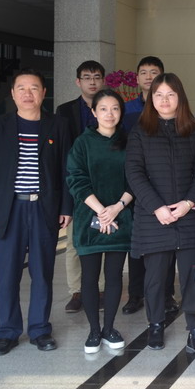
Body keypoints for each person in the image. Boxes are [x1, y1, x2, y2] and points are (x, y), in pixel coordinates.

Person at [0, 69, 72, 356]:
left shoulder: (58, 125)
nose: (27, 93)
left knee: (42, 272)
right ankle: (7, 332)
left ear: (44, 93)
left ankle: (40, 329)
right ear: (13, 93)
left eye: (34, 88)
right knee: (7, 274)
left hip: (44, 208)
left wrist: (65, 207)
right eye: (21, 88)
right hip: (9, 209)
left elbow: (67, 169)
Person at [125, 73, 195, 356]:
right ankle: (156, 324)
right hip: (153, 217)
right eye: (158, 94)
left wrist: (188, 202)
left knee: (191, 277)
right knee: (155, 278)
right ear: (151, 98)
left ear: (180, 97)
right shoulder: (140, 131)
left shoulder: (194, 130)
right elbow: (134, 173)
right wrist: (157, 207)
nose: (164, 100)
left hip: (188, 216)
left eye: (170, 94)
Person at [65, 89, 134, 353]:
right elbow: (76, 179)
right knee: (90, 278)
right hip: (89, 219)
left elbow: (135, 179)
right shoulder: (82, 143)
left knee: (114, 276)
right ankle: (94, 330)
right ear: (93, 112)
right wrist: (101, 211)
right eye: (103, 109)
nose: (109, 114)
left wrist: (116, 208)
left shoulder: (129, 141)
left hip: (120, 217)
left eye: (115, 108)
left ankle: (109, 328)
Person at [56, 59, 106, 315]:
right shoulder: (64, 111)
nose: (92, 82)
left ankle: (101, 289)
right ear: (78, 82)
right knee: (75, 240)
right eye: (87, 77)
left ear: (103, 80)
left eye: (96, 77)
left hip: (104, 184)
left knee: (104, 237)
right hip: (76, 185)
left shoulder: (110, 106)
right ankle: (77, 291)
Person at [120, 55, 168, 316]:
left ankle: (166, 295)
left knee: (166, 245)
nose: (149, 77)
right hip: (136, 186)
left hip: (165, 186)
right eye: (144, 73)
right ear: (137, 78)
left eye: (154, 72)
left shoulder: (171, 107)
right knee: (137, 244)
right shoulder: (126, 110)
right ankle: (136, 294)